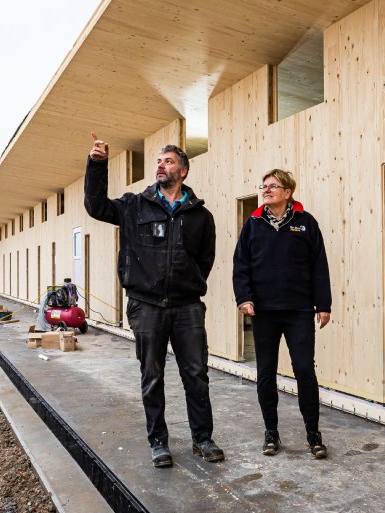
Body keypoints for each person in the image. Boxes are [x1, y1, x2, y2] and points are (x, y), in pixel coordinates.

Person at [84, 133, 224, 468]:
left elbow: (206, 259)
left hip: (187, 306)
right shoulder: (135, 205)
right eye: (159, 161)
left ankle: (202, 439)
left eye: (169, 161)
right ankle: (158, 442)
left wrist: (189, 284)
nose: (161, 166)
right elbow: (96, 206)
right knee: (152, 374)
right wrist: (97, 165)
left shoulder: (200, 216)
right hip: (146, 306)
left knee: (196, 374)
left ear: (183, 171)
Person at [232, 169, 332, 459]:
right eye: (264, 186)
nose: (266, 190)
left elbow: (319, 266)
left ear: (288, 192)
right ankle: (271, 432)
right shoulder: (252, 224)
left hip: (299, 310)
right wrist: (244, 298)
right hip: (263, 311)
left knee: (304, 370)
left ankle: (313, 434)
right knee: (265, 373)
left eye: (273, 186)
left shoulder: (306, 223)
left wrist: (322, 304)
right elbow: (241, 266)